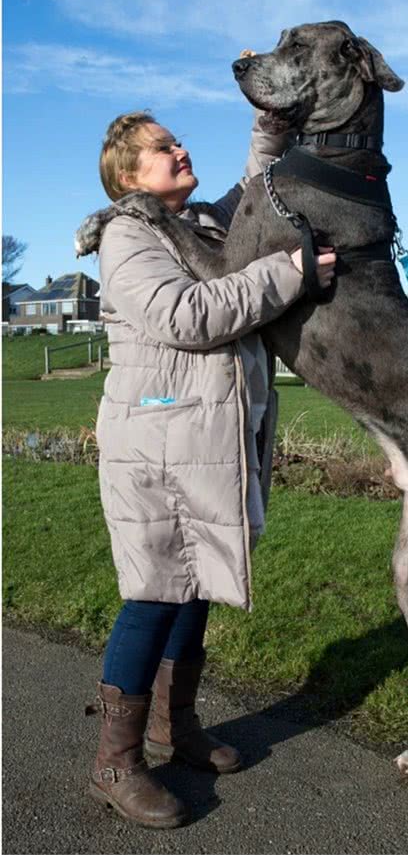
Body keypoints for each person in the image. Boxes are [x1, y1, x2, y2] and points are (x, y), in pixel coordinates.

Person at [77, 103, 336, 829]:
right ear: (129, 175)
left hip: (205, 442)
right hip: (156, 446)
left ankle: (172, 726)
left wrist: (270, 129)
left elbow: (252, 195)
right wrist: (289, 274)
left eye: (179, 140)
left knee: (194, 588)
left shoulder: (197, 229)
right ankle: (116, 761)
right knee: (155, 594)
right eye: (164, 147)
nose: (181, 149)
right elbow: (187, 315)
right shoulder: (127, 237)